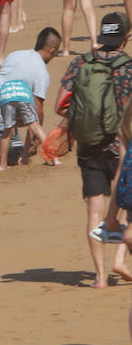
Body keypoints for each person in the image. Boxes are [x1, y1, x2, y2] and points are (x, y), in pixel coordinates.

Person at [58, 15, 132, 288]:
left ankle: (100, 277)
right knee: (127, 205)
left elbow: (59, 105)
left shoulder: (80, 62)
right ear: (125, 38)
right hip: (121, 145)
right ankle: (121, 258)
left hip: (89, 144)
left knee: (94, 212)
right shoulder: (128, 68)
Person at [0, 26, 59, 163]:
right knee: (13, 155)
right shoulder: (42, 73)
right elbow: (37, 113)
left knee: (17, 109)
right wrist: (31, 146)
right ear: (52, 50)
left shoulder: (16, 54)